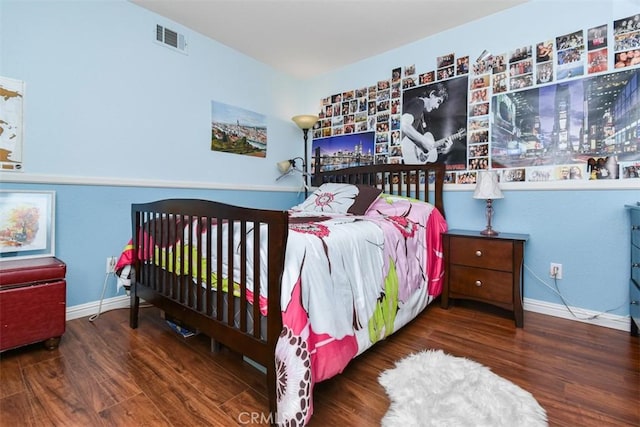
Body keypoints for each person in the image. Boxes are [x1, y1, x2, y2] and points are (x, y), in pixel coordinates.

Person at [400, 83, 460, 164]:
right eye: (438, 101)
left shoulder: (421, 115)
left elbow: (418, 149)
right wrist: (423, 140)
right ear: (432, 94)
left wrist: (439, 148)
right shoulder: (419, 103)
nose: (437, 107)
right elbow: (403, 123)